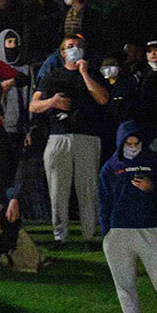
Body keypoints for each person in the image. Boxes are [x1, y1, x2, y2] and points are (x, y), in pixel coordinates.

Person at [32, 31, 110, 246]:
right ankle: (60, 235)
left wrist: (85, 74)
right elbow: (33, 105)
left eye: (77, 46)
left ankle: (89, 234)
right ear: (62, 52)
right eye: (69, 46)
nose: (73, 49)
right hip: (58, 137)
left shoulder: (93, 73)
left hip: (87, 137)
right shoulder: (51, 76)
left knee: (87, 189)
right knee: (58, 189)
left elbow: (103, 99)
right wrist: (52, 102)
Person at [98, 122, 156, 313]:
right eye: (128, 143)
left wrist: (151, 187)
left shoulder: (154, 162)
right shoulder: (110, 167)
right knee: (125, 284)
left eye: (136, 143)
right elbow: (103, 200)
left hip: (150, 229)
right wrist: (107, 231)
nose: (132, 147)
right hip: (119, 232)